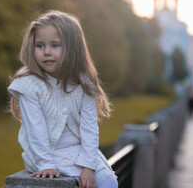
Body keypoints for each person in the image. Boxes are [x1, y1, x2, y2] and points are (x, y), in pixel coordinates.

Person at [8, 10, 118, 188]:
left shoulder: (83, 83)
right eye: (40, 45)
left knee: (108, 182)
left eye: (55, 45)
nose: (47, 52)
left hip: (79, 151)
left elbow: (89, 128)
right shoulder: (28, 84)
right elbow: (36, 129)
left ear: (72, 48)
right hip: (44, 153)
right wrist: (46, 164)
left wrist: (88, 166)